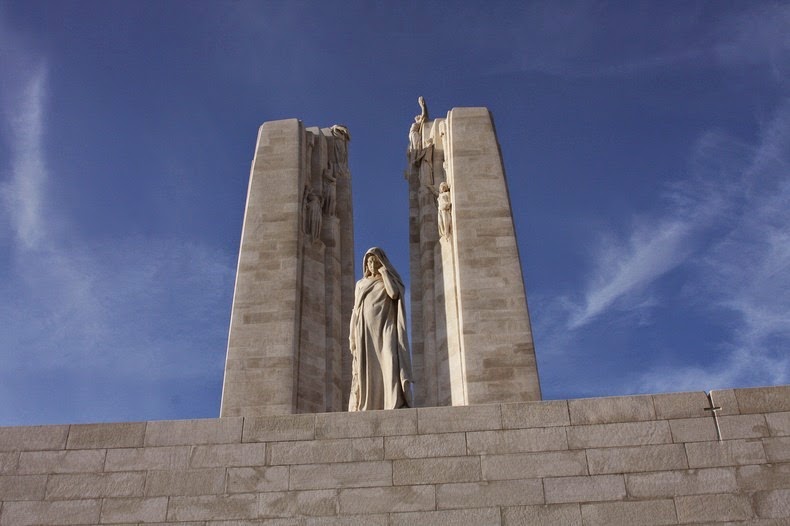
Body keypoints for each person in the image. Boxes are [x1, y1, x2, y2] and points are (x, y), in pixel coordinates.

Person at [348, 247, 413, 410]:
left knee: (390, 358)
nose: (372, 264)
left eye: (375, 260)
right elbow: (355, 311)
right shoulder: (360, 284)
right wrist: (352, 336)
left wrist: (384, 273)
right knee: (368, 368)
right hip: (365, 331)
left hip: (386, 327)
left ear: (381, 261)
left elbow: (393, 294)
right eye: (369, 261)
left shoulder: (388, 280)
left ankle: (393, 402)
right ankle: (368, 403)